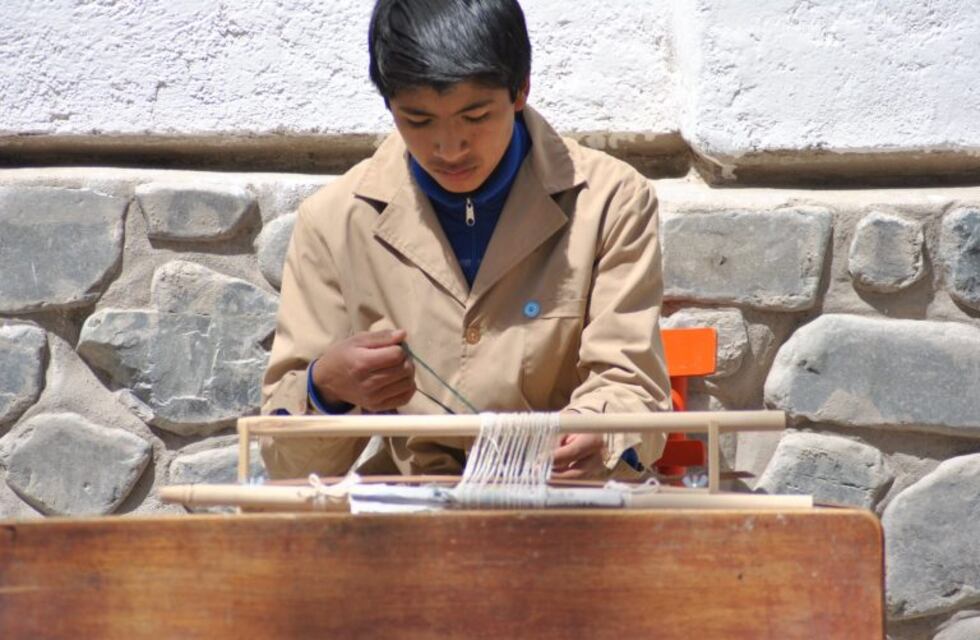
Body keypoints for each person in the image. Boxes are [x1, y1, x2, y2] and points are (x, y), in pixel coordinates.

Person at [260, 0, 670, 480]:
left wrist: (598, 432)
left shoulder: (611, 201)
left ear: (521, 91)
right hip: (407, 510)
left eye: (475, 116)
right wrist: (326, 389)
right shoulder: (334, 220)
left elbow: (629, 383)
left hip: (564, 504)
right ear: (388, 105)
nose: (449, 148)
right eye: (418, 120)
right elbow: (286, 463)